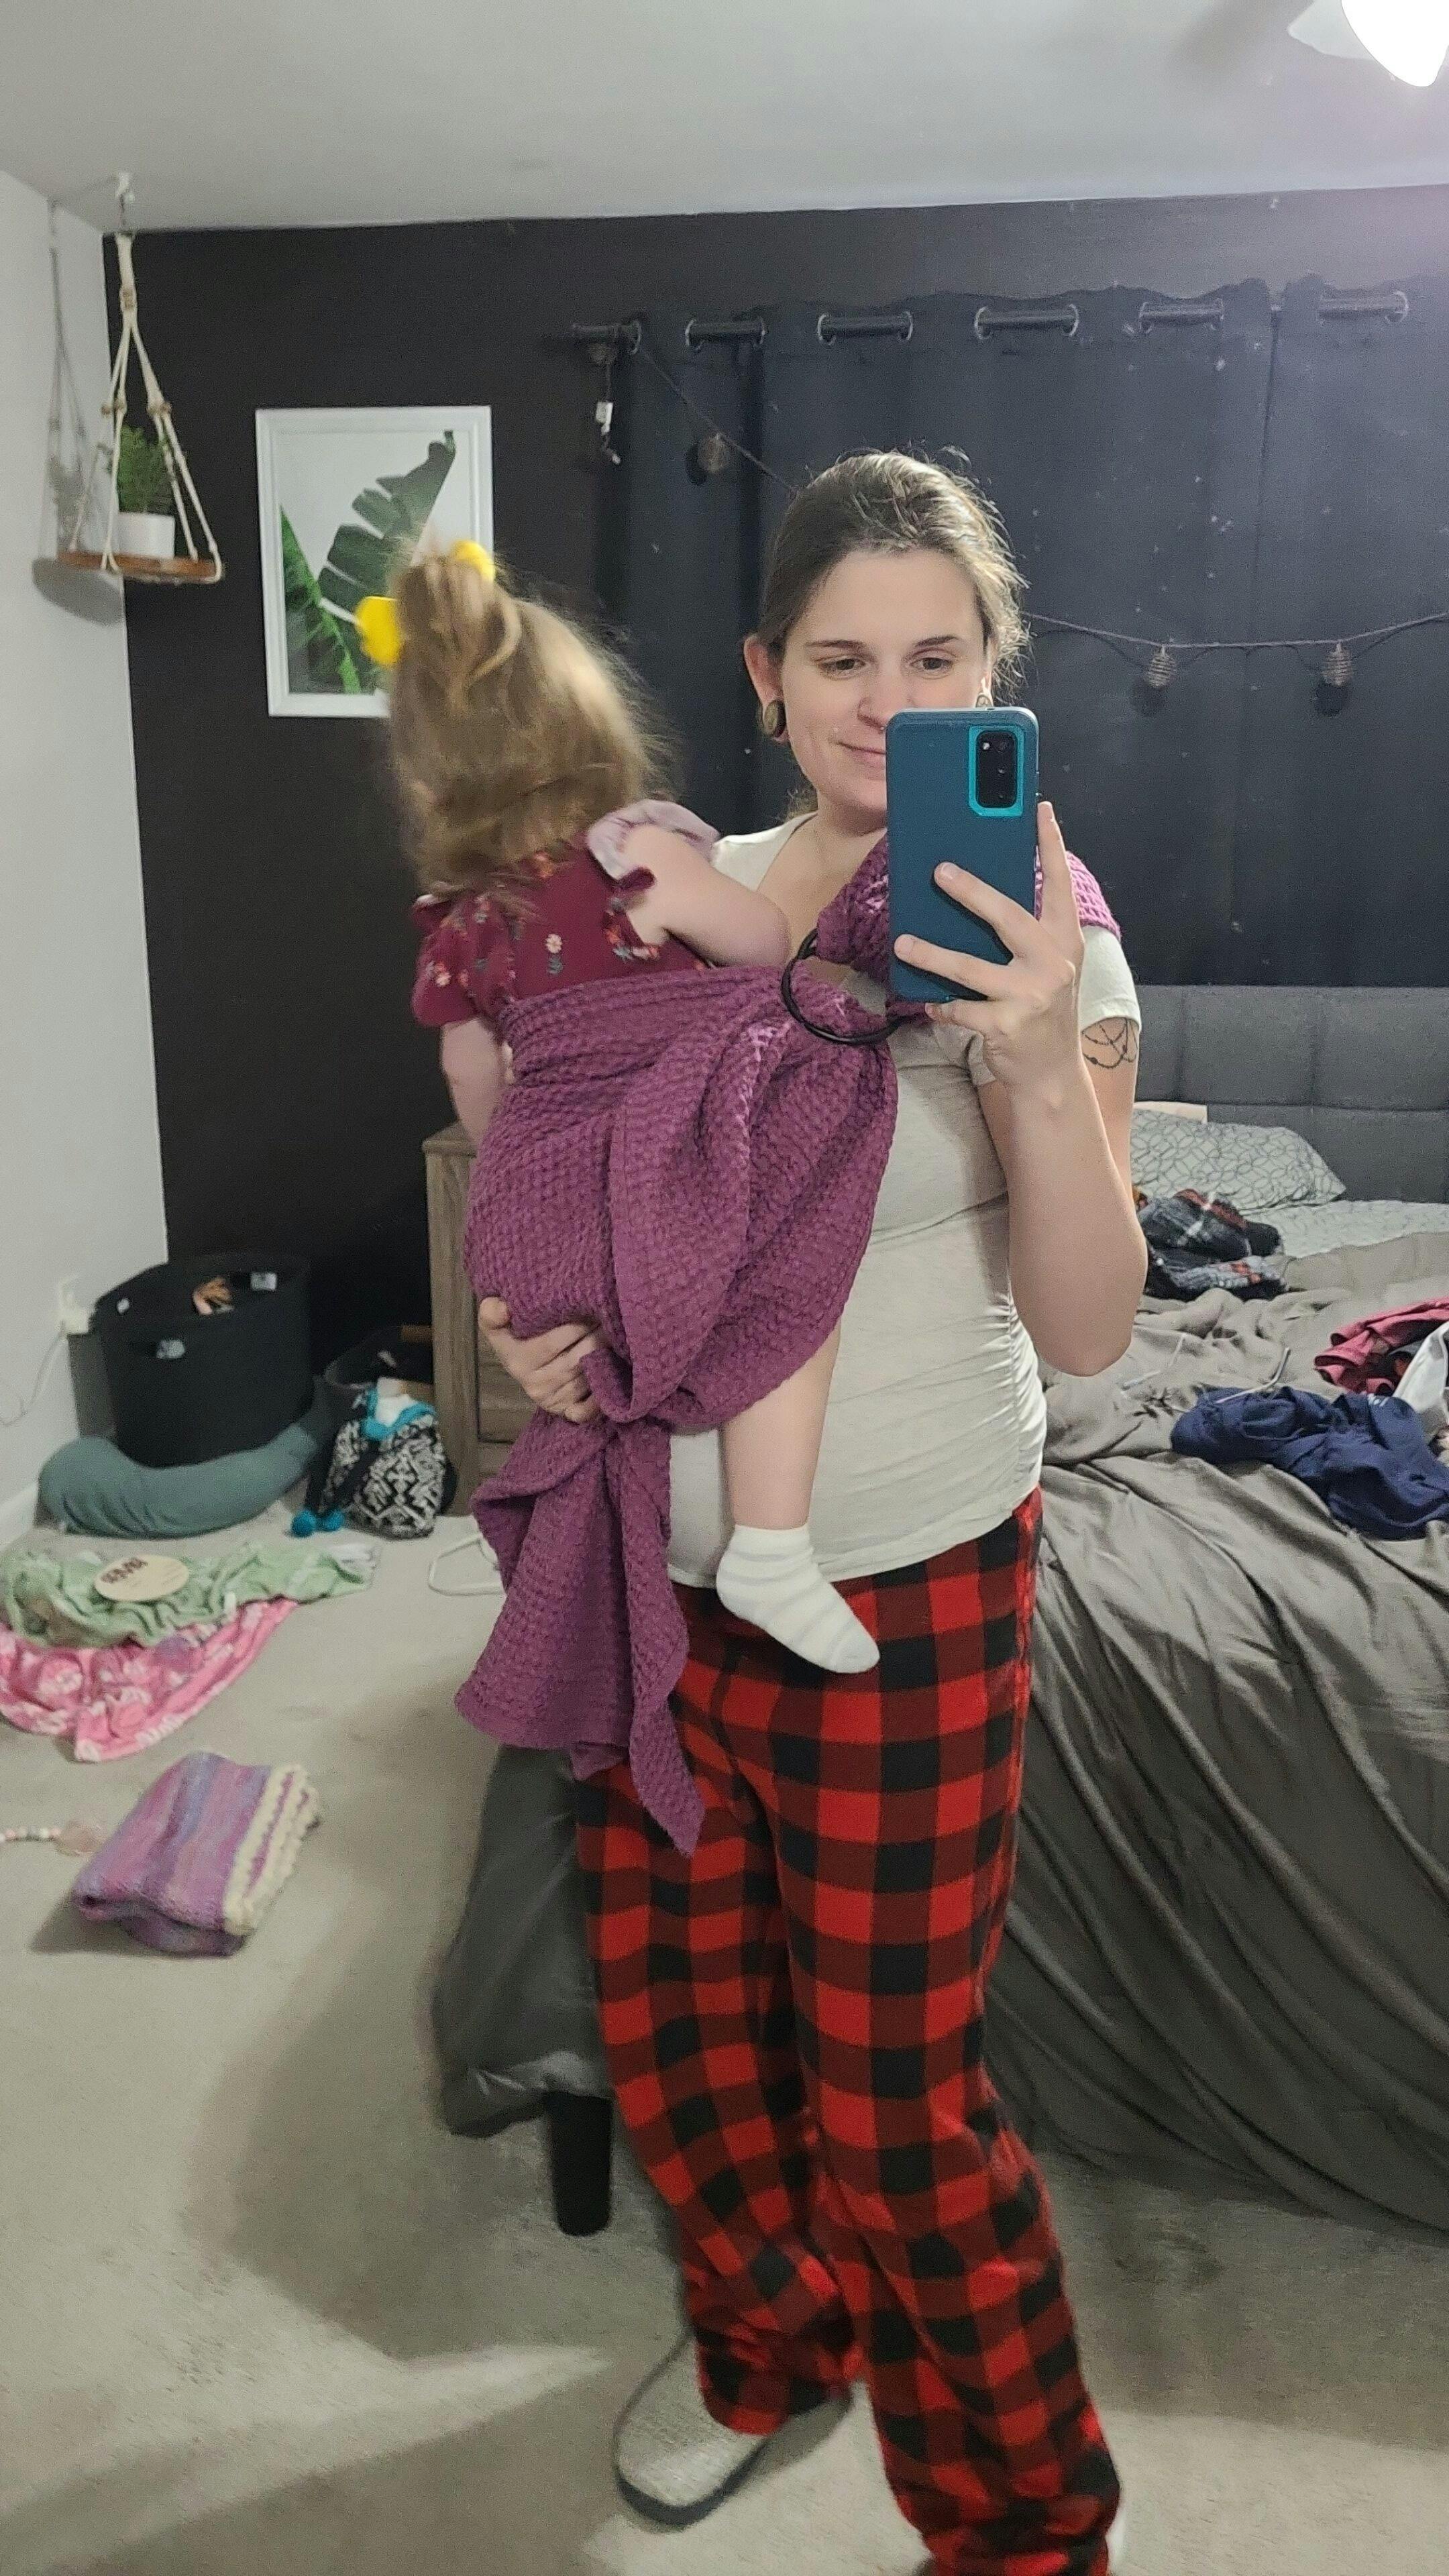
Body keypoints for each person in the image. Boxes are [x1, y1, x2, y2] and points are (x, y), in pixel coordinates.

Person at [480, 451, 1144, 2576]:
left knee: (894, 2115)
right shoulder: (685, 894)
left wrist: (1029, 1060)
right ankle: (771, 2353)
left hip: (915, 1593)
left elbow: (1093, 1327)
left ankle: (1027, 2528)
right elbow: (592, 1173)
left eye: (938, 657)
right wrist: (533, 1337)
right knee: (683, 2048)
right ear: (768, 677)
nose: (889, 700)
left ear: (995, 672)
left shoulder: (1050, 925)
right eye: (844, 659)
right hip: (651, 1581)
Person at [386, 539, 883, 1674]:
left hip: (543, 1209)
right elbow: (765, 945)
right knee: (791, 1279)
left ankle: (608, 1572)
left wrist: (521, 1169)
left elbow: (472, 1080)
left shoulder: (461, 923)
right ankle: (771, 1545)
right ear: (589, 734)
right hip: (661, 1166)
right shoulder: (637, 855)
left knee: (595, 1352)